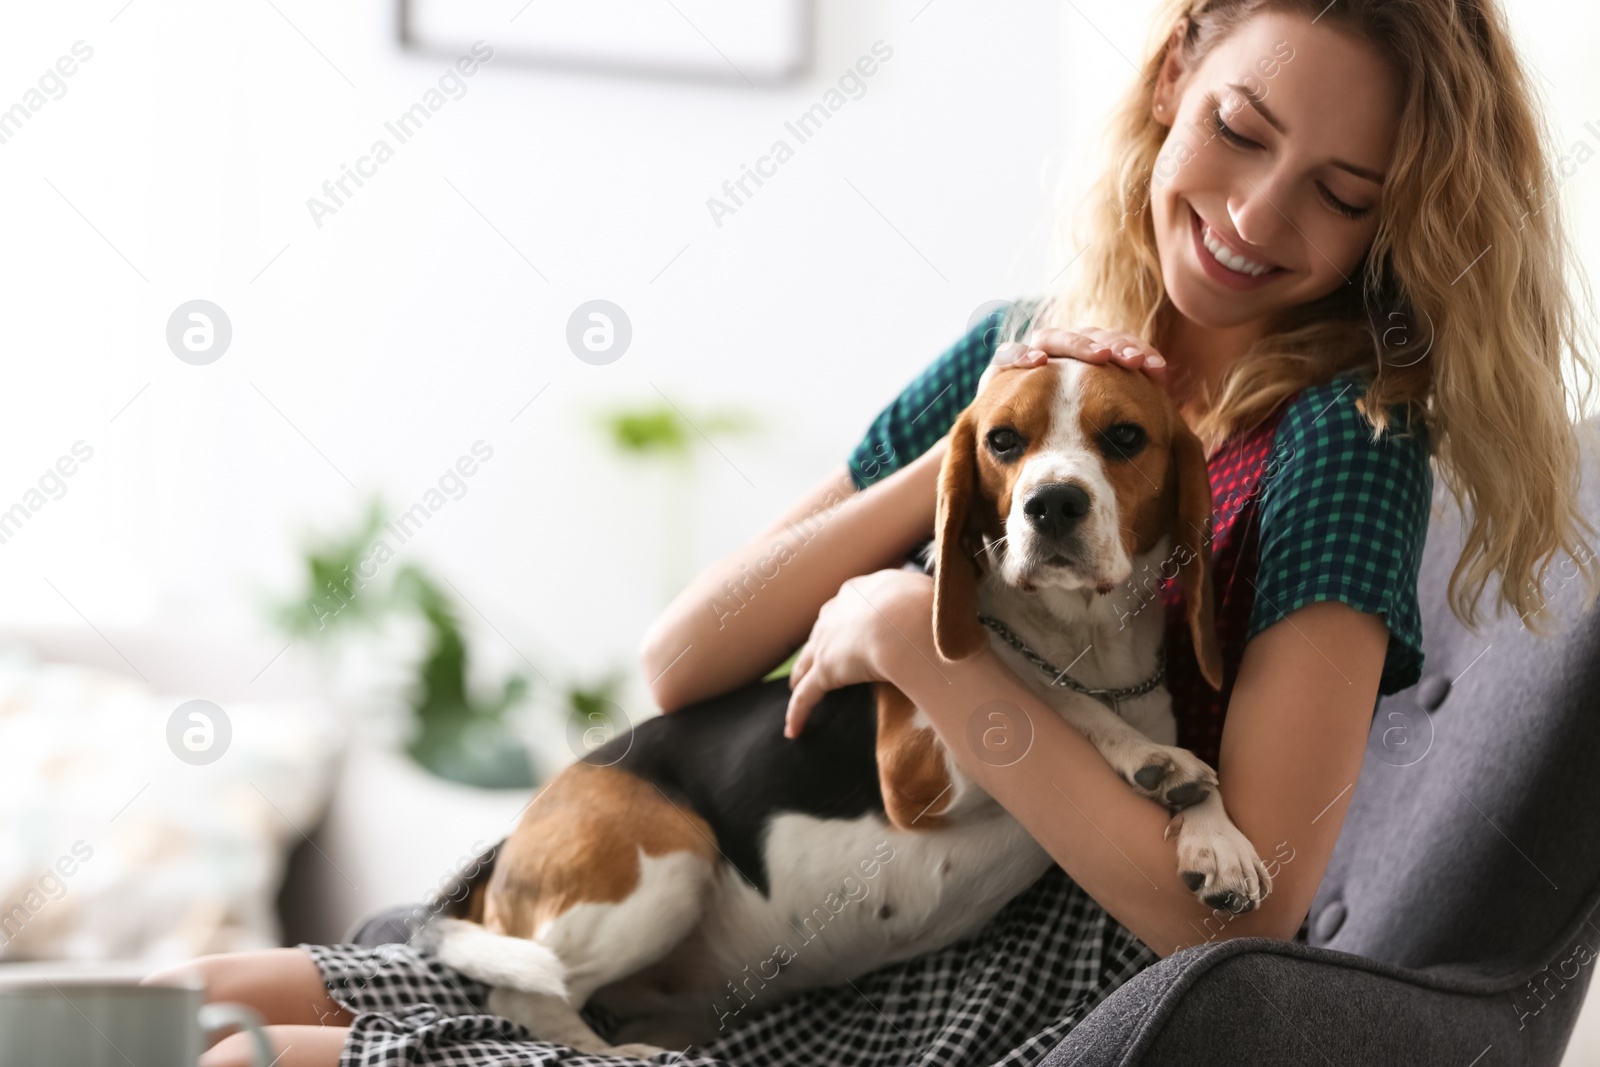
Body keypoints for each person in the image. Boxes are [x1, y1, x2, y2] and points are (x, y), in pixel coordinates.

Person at [146, 1, 1599, 1064]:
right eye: (1238, 131)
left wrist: (919, 631)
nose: (1255, 213)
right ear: (1176, 73)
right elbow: (682, 658)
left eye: (1341, 196)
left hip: (1008, 962)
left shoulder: (1342, 450)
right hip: (760, 861)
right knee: (185, 1003)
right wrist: (957, 457)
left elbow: (1245, 926)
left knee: (252, 1061)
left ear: (1390, 224)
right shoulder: (1015, 355)